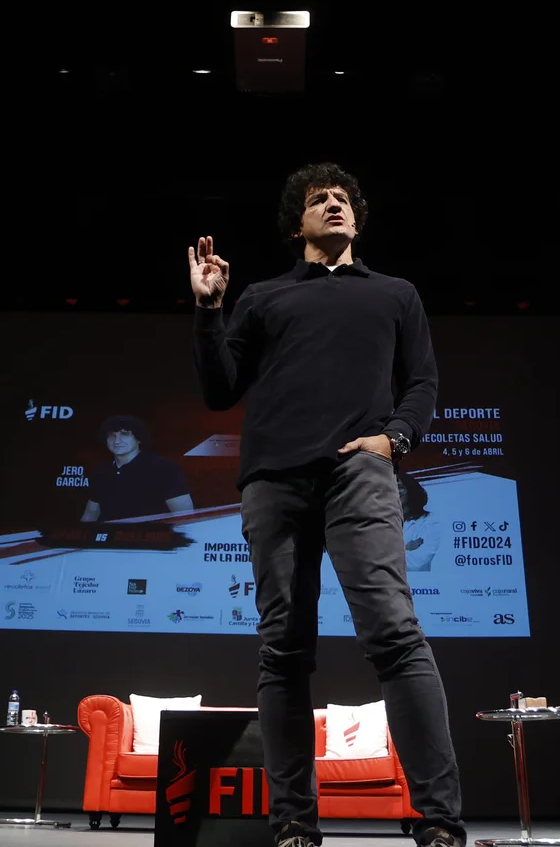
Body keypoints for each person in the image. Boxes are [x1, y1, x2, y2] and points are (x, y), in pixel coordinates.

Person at [188, 163, 464, 847]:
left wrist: (393, 439)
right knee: (283, 650)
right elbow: (220, 388)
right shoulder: (263, 295)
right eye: (319, 199)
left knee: (396, 635)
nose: (333, 203)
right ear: (297, 224)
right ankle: (294, 827)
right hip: (273, 481)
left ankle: (438, 823)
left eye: (343, 198)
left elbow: (422, 381)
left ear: (357, 219)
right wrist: (207, 309)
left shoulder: (395, 293)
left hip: (359, 475)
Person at [81, 415, 196, 522]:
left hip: (152, 540)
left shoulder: (164, 468)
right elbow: (91, 513)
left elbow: (184, 515)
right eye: (112, 435)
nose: (116, 441)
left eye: (124, 434)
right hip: (110, 540)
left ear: (139, 438)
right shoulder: (101, 473)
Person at [400, 471, 437, 573]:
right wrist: (406, 547)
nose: (395, 491)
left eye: (400, 487)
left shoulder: (429, 520)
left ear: (411, 489)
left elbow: (417, 562)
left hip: (421, 585)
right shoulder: (380, 519)